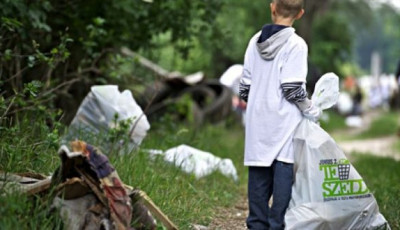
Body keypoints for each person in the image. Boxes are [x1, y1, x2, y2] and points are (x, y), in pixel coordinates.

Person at [239, 0, 321, 229]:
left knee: (258, 178)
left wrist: (258, 104)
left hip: (258, 125)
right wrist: (311, 109)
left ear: (272, 7)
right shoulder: (296, 45)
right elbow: (292, 89)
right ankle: (277, 225)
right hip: (285, 126)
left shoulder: (254, 41)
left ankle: (256, 225)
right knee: (283, 179)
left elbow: (244, 88)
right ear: (301, 14)